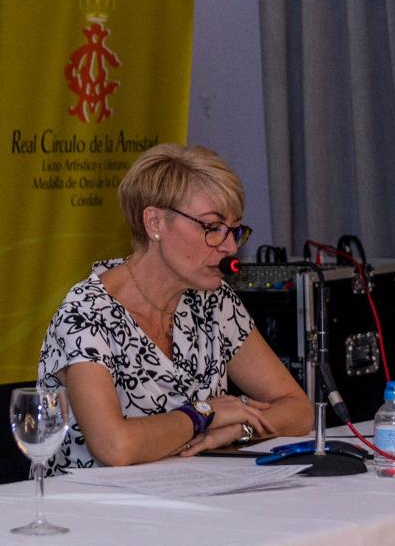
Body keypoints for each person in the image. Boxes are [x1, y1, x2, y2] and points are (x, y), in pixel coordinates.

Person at [38, 143, 313, 471]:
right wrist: (203, 415)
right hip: (91, 511)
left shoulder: (213, 301)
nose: (229, 247)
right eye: (212, 228)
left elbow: (299, 410)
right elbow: (115, 446)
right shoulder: (85, 315)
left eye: (234, 231)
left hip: (191, 496)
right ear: (154, 222)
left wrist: (238, 430)